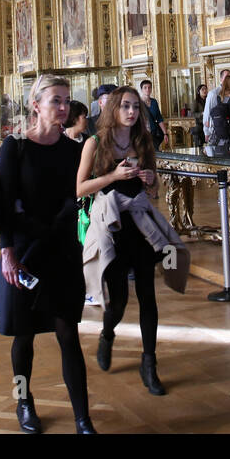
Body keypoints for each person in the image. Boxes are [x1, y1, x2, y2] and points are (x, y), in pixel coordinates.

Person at [0, 75, 95, 433]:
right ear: (35, 104)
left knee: (68, 332)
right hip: (24, 253)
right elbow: (5, 204)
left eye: (67, 101)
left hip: (62, 250)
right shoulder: (16, 146)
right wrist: (7, 253)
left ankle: (83, 417)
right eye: (56, 100)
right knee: (24, 336)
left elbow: (83, 192)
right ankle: (24, 401)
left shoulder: (74, 149)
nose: (64, 107)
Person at [78, 86, 186, 396]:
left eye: (135, 107)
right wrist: (113, 177)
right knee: (120, 300)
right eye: (125, 106)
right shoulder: (95, 143)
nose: (131, 112)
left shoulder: (142, 140)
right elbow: (80, 188)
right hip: (112, 227)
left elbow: (151, 186)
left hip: (139, 227)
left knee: (148, 296)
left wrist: (151, 180)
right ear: (113, 109)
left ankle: (149, 363)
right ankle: (107, 333)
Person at [139, 79, 166, 148]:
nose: (147, 89)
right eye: (145, 87)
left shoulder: (154, 102)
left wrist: (165, 133)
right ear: (141, 89)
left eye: (149, 87)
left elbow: (159, 118)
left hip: (154, 133)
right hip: (142, 134)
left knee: (155, 154)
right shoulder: (138, 103)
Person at [191, 83, 208, 147]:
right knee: (199, 145)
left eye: (206, 89)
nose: (205, 91)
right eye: (202, 89)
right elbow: (192, 113)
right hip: (199, 125)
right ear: (198, 91)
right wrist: (201, 114)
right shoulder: (196, 101)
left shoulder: (208, 100)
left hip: (208, 124)